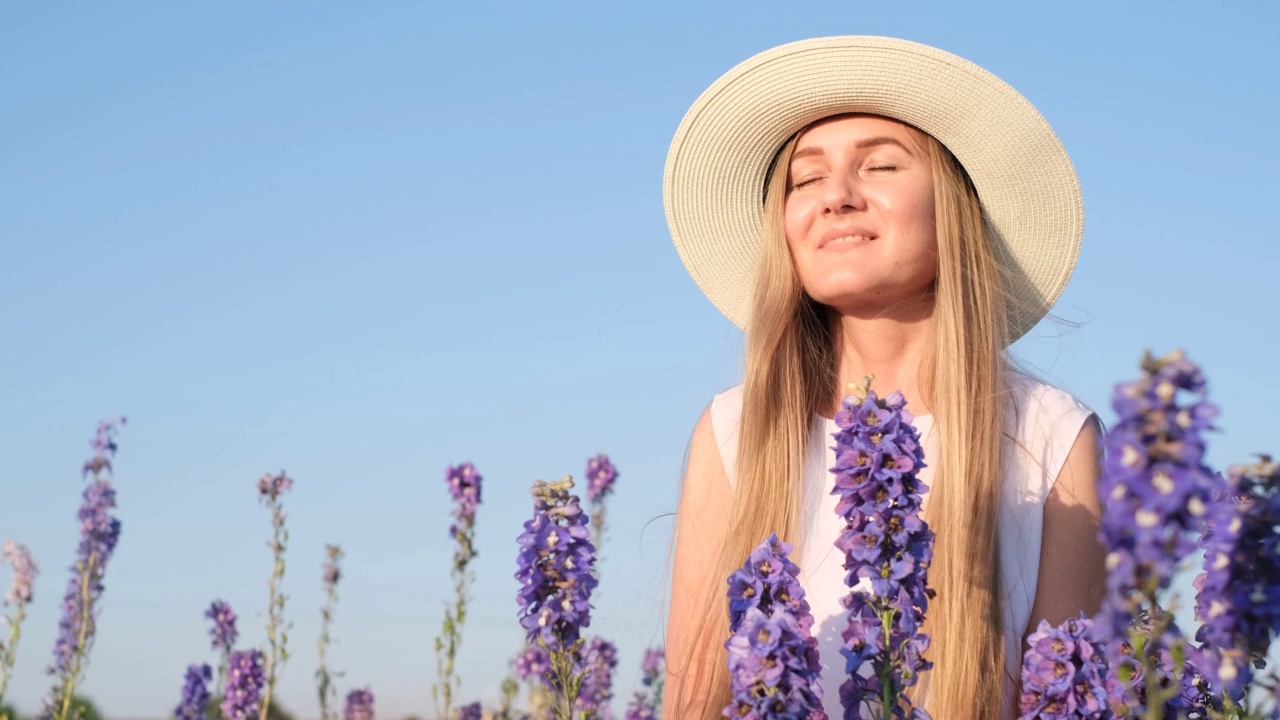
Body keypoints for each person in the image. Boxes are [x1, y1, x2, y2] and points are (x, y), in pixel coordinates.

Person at [661, 36, 1108, 719]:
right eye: (804, 179)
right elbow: (693, 704)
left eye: (879, 166)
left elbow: (1070, 702)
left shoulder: (1052, 435)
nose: (836, 197)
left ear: (954, 207)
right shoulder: (734, 429)